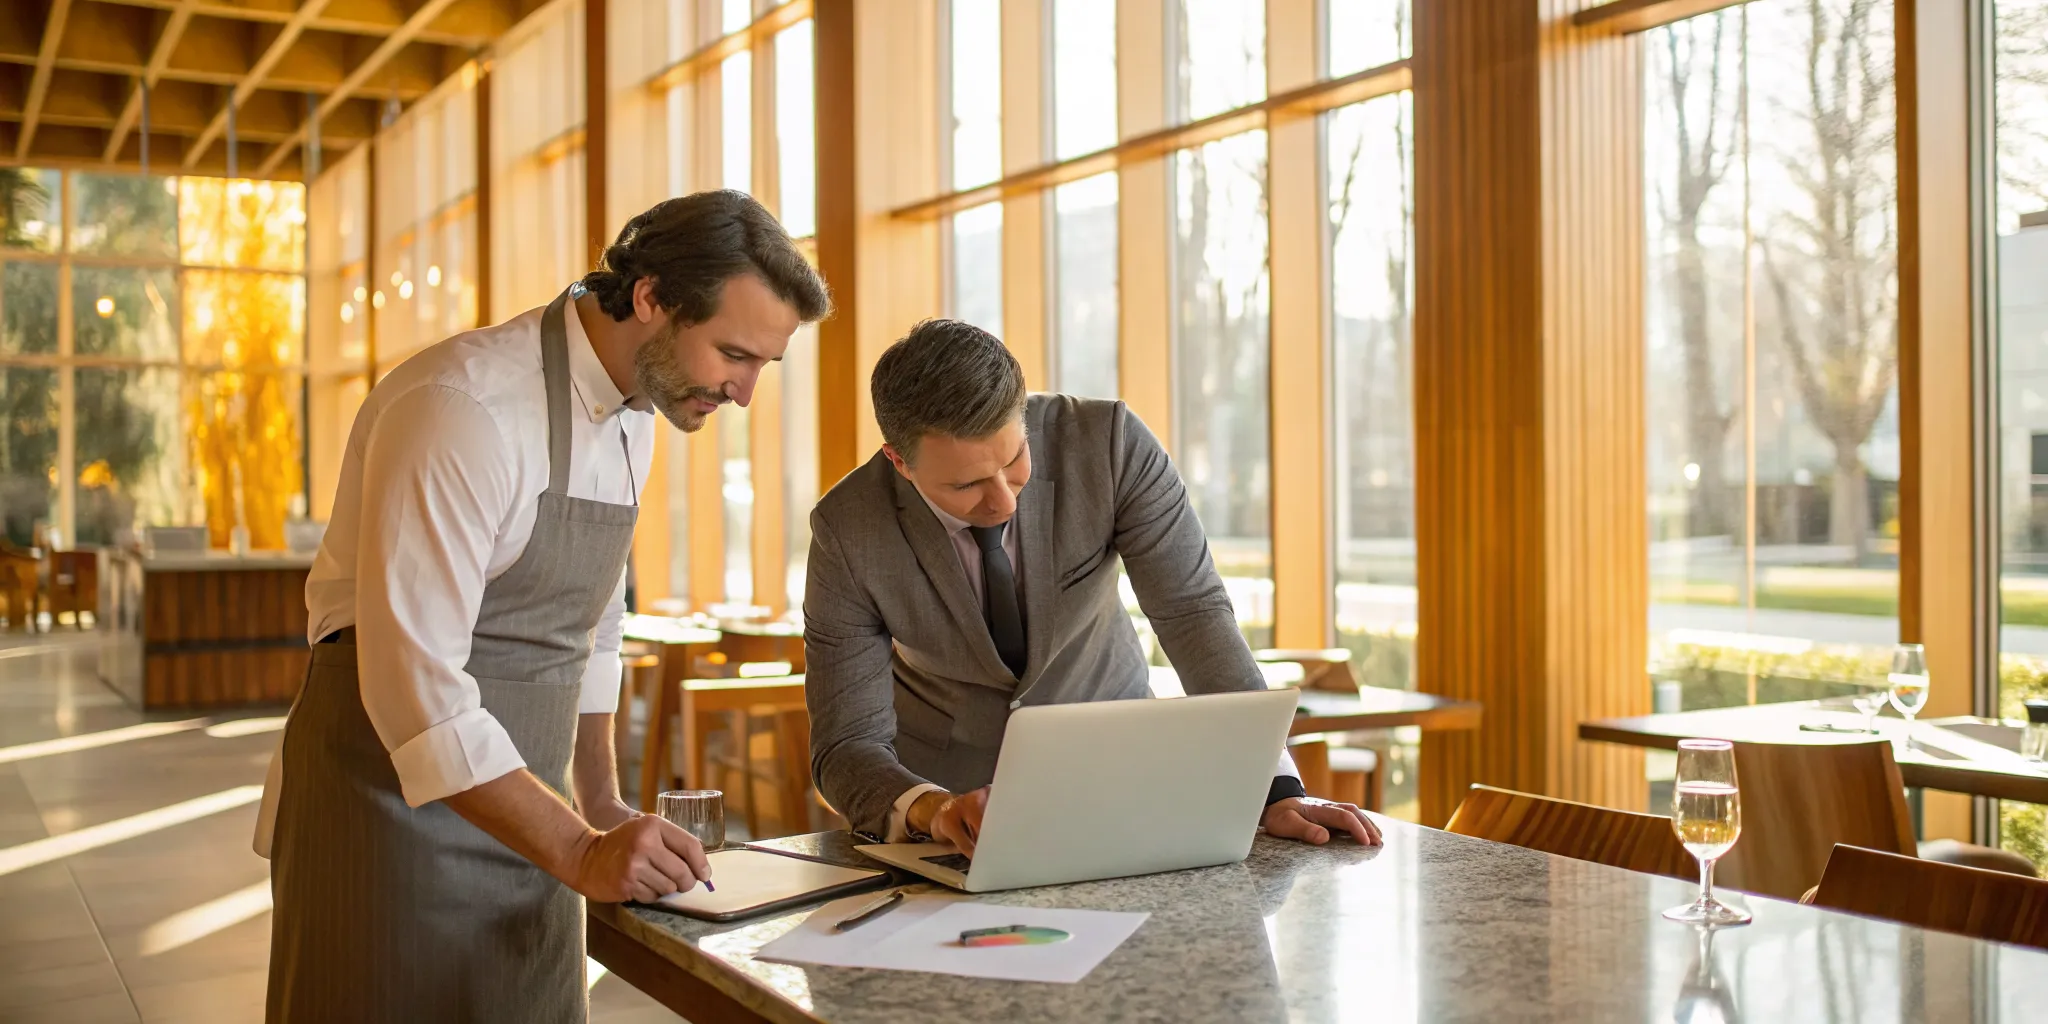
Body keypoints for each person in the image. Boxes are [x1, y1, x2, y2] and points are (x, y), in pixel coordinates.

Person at [259, 190, 831, 1023]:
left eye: (762, 367)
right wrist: (579, 846)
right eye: (733, 354)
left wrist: (596, 804)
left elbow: (592, 624)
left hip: (532, 816)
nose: (743, 391)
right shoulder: (462, 409)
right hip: (386, 817)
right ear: (651, 300)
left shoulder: (642, 410)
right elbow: (414, 694)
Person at [804, 319, 1382, 854]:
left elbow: (1192, 612)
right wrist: (930, 808)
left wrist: (1274, 788)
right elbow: (846, 743)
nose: (1003, 500)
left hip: (1123, 786)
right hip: (957, 821)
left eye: (1015, 460)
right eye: (966, 485)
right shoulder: (848, 531)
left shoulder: (1107, 445)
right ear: (899, 463)